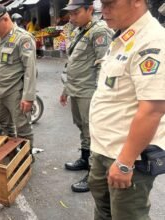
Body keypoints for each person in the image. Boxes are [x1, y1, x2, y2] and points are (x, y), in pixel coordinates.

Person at [87, 0, 165, 219]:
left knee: (127, 215)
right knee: (104, 212)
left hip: (127, 157)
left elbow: (153, 109)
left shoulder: (152, 41)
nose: (104, 10)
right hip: (104, 149)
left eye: (110, 3)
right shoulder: (124, 36)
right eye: (102, 3)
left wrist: (124, 162)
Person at [60, 0, 113, 193]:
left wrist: (101, 96)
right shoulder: (79, 31)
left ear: (90, 9)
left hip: (90, 92)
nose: (71, 17)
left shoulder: (99, 31)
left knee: (93, 131)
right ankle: (84, 158)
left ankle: (93, 174)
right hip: (76, 89)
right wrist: (66, 89)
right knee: (82, 127)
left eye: (75, 13)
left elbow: (103, 64)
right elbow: (73, 63)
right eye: (70, 14)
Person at [0, 4, 37, 153]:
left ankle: (26, 156)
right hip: (1, 92)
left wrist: (28, 97)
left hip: (16, 92)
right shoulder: (0, 39)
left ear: (5, 19)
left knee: (22, 127)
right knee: (4, 123)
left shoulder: (23, 38)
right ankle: (13, 152)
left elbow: (30, 69)